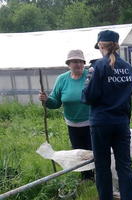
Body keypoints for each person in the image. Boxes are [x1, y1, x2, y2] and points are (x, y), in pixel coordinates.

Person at [82, 30, 132, 200]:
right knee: (125, 166)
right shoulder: (128, 67)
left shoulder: (97, 67)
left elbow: (88, 96)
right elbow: (130, 92)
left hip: (101, 123)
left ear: (100, 45)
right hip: (121, 123)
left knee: (102, 167)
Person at [39, 49, 93, 180]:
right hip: (72, 124)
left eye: (81, 61)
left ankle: (99, 174)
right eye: (75, 61)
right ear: (69, 64)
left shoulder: (90, 76)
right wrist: (46, 100)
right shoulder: (62, 79)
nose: (78, 64)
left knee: (93, 151)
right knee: (78, 152)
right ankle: (86, 177)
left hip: (92, 123)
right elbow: (55, 102)